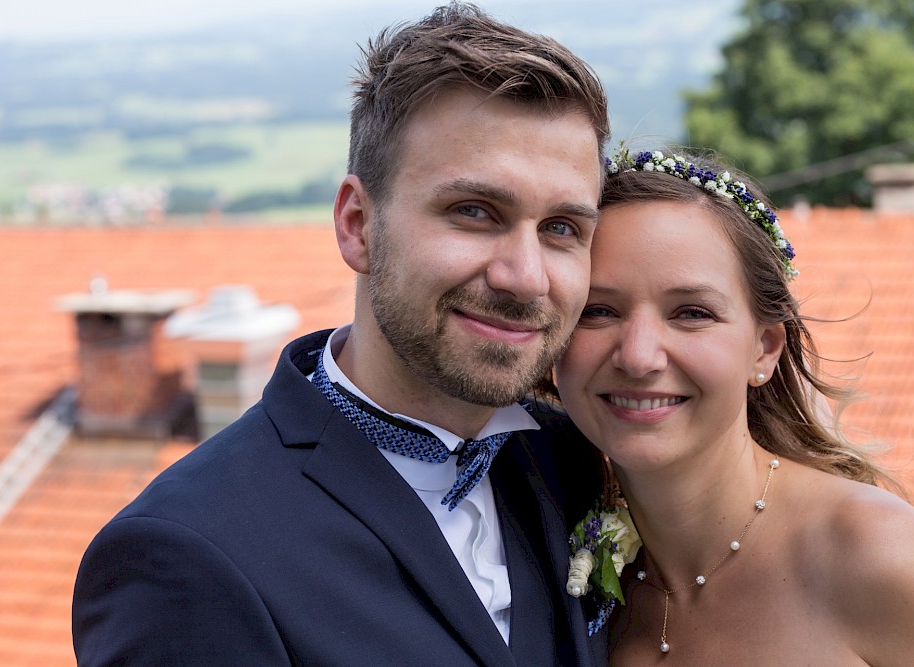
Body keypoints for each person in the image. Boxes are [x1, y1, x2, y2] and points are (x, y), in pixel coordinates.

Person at [71, 3, 610, 665]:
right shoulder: (187, 554)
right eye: (474, 211)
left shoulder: (581, 462)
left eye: (562, 229)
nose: (525, 277)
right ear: (358, 223)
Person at [554, 147, 914, 665]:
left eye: (691, 313)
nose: (638, 356)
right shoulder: (568, 571)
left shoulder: (871, 552)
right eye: (597, 311)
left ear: (765, 349)